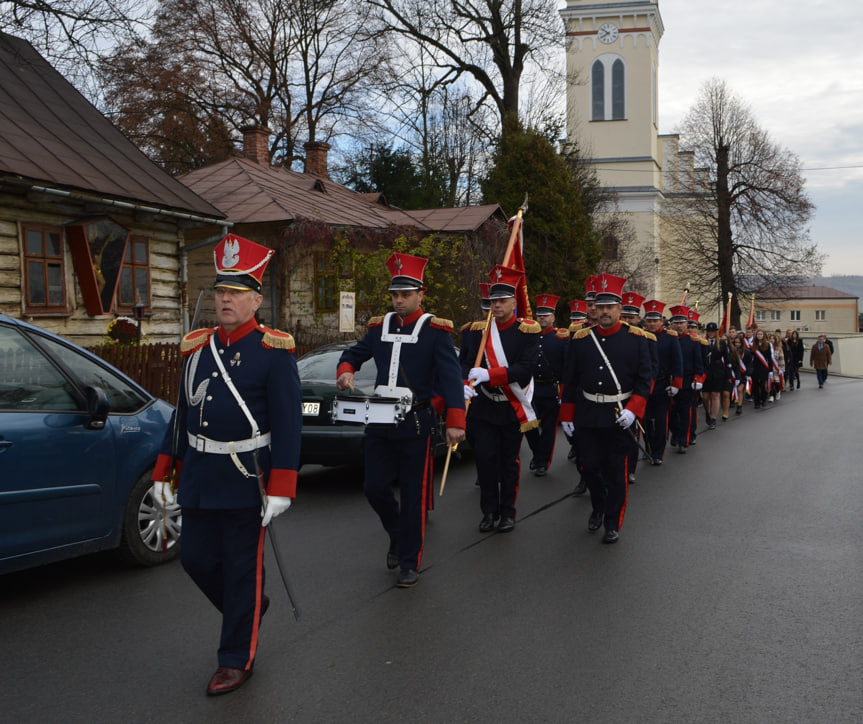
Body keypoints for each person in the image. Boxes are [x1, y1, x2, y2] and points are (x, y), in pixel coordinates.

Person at [152, 234, 302, 696]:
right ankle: (249, 607)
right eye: (220, 292)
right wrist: (163, 472)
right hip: (199, 473)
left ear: (256, 299)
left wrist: (282, 486)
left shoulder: (273, 352)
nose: (225, 299)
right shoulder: (196, 348)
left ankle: (235, 657)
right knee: (195, 560)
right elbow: (181, 414)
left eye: (235, 293)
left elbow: (289, 421)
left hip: (244, 477)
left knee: (240, 569)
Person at [337, 253, 466, 588]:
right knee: (374, 488)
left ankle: (410, 560)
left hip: (416, 424)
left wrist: (455, 421)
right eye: (395, 294)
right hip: (379, 424)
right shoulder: (379, 327)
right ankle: (396, 534)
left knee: (412, 496)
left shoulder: (436, 331)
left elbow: (452, 380)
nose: (398, 300)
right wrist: (346, 371)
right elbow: (353, 354)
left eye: (405, 294)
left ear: (420, 294)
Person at [559, 273, 653, 544]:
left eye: (609, 307)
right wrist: (567, 414)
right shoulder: (581, 339)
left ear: (620, 309)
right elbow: (571, 379)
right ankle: (598, 506)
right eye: (600, 307)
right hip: (588, 414)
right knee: (588, 467)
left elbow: (644, 380)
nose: (604, 312)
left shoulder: (636, 339)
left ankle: (612, 522)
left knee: (616, 471)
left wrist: (633, 410)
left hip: (619, 415)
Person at [462, 265, 539, 533]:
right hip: (483, 407)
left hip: (510, 407)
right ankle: (488, 512)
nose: (496, 306)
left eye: (502, 301)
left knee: (508, 462)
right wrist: (464, 385)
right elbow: (463, 365)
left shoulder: (526, 331)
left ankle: (507, 512)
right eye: (493, 301)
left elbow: (525, 370)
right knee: (484, 460)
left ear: (513, 302)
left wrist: (490, 374)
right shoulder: (476, 332)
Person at [525, 294, 568, 476]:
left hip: (552, 389)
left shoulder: (561, 338)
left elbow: (567, 368)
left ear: (553, 317)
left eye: (546, 314)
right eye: (539, 314)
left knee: (549, 429)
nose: (542, 318)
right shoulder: (529, 337)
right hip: (532, 389)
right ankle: (537, 453)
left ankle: (542, 462)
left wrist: (563, 394)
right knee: (529, 426)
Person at [642, 300, 683, 465]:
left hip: (662, 384)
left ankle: (658, 452)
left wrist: (676, 384)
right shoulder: (640, 336)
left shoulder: (670, 338)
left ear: (662, 321)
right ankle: (649, 447)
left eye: (655, 320)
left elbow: (677, 362)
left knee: (660, 421)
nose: (652, 324)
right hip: (644, 386)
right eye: (649, 320)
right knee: (645, 420)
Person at [667, 305, 704, 453]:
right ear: (672, 324)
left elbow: (698, 364)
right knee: (671, 413)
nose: (679, 325)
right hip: (669, 381)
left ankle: (684, 440)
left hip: (688, 381)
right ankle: (675, 433)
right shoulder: (667, 339)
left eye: (681, 322)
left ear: (687, 324)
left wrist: (698, 379)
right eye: (676, 322)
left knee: (685, 412)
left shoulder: (693, 342)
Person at [702, 322, 731, 427]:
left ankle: (713, 418)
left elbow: (727, 360)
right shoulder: (702, 342)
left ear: (716, 332)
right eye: (709, 331)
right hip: (706, 371)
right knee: (705, 396)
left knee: (715, 395)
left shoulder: (722, 343)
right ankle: (707, 412)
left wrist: (728, 375)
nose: (711, 333)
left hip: (718, 371)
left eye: (713, 331)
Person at [749, 328, 774, 408]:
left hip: (764, 367)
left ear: (763, 335)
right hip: (755, 367)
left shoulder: (767, 345)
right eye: (758, 334)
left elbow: (769, 358)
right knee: (755, 385)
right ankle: (757, 402)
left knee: (763, 384)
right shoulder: (753, 344)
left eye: (761, 334)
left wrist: (770, 370)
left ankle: (763, 399)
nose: (759, 336)